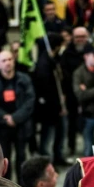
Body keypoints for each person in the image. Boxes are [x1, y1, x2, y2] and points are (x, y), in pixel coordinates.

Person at [0, 50, 35, 182]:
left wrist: (15, 118)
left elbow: (29, 102)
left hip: (21, 126)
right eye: (4, 61)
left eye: (10, 59)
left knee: (21, 158)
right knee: (4, 160)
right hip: (0, 127)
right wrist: (5, 118)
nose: (7, 63)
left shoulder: (24, 79)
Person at [32, 33, 66, 165]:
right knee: (47, 137)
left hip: (56, 106)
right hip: (49, 109)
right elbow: (47, 89)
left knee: (59, 134)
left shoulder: (53, 60)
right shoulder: (45, 64)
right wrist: (58, 107)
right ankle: (46, 163)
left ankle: (58, 158)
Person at [60, 27, 89, 156]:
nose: (80, 39)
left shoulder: (92, 50)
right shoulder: (67, 53)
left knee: (87, 123)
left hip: (89, 93)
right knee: (71, 123)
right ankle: (71, 147)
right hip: (72, 93)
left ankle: (89, 148)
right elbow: (64, 74)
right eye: (77, 37)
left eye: (82, 36)